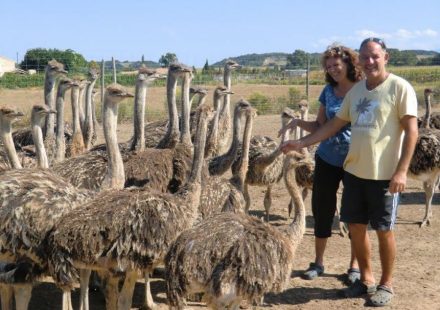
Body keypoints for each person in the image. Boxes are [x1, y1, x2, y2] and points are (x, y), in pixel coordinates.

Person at [280, 37, 418, 307]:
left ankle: (386, 284)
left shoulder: (400, 88)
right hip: (354, 171)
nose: (369, 61)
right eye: (365, 56)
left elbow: (411, 131)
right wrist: (302, 143)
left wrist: (401, 171)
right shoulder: (356, 92)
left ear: (385, 57)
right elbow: (332, 126)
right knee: (356, 227)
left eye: (374, 56)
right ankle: (365, 280)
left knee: (383, 230)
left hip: (384, 175)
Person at [279, 44, 363, 284]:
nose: (333, 69)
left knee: (354, 212)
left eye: (336, 64)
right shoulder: (328, 91)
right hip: (327, 158)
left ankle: (354, 265)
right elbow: (321, 126)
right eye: (329, 67)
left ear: (348, 63)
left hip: (356, 159)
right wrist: (297, 124)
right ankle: (318, 262)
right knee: (323, 209)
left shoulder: (361, 90)